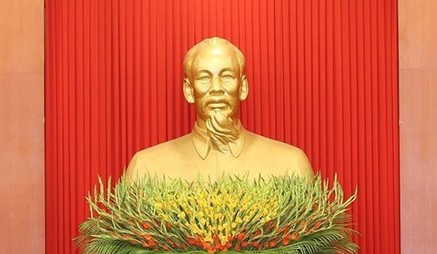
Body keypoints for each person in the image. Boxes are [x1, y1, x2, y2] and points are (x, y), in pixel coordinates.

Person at [123, 37, 314, 182]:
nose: (216, 88)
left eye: (227, 76)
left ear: (243, 87)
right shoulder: (146, 168)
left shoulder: (290, 166)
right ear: (189, 90)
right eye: (204, 77)